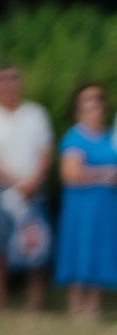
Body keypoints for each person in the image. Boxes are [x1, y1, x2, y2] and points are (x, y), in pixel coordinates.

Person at [0, 64, 56, 312]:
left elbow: (46, 151)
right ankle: (0, 305)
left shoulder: (36, 114)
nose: (7, 85)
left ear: (20, 82)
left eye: (12, 79)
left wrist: (34, 181)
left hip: (34, 190)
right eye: (2, 80)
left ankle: (34, 304)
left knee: (37, 246)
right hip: (2, 192)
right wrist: (15, 182)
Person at [55, 84, 117, 320]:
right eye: (88, 107)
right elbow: (70, 174)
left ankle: (93, 306)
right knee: (79, 248)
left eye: (97, 105)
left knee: (99, 250)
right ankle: (76, 306)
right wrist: (103, 173)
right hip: (81, 208)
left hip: (105, 206)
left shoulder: (110, 137)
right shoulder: (74, 138)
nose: (94, 111)